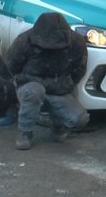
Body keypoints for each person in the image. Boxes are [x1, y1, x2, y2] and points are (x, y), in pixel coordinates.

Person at [7, 12, 89, 150]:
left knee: (80, 118)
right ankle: (25, 132)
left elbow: (79, 70)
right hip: (31, 86)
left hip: (59, 88)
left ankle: (58, 126)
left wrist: (65, 86)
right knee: (34, 92)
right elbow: (12, 66)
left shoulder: (77, 43)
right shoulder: (24, 41)